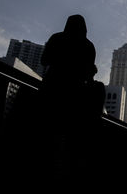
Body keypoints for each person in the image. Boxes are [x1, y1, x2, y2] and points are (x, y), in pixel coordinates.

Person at [38, 14, 105, 187]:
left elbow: (44, 60)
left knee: (46, 134)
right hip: (75, 97)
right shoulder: (89, 46)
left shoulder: (57, 38)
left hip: (51, 90)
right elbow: (89, 73)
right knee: (68, 139)